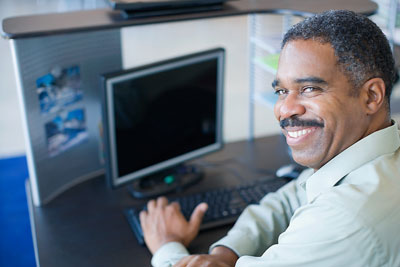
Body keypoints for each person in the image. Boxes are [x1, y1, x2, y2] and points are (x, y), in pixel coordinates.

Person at [139, 10, 400, 266]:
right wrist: (225, 253)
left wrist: (167, 247)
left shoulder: (344, 218)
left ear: (372, 96)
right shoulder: (372, 157)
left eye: (309, 88)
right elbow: (290, 198)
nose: (285, 109)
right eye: (282, 91)